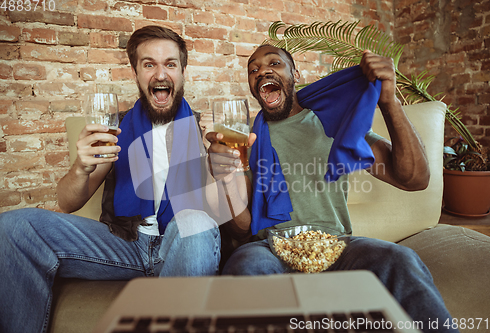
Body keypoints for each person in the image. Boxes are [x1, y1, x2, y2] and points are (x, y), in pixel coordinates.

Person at [205, 44, 458, 333]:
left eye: (274, 63)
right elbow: (242, 228)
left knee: (401, 260)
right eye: (253, 69)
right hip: (270, 248)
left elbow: (414, 179)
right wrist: (224, 178)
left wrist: (389, 102)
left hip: (337, 245)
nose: (262, 71)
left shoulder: (335, 123)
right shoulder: (245, 138)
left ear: (295, 74)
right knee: (244, 267)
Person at [0, 25, 221, 333]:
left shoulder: (203, 131)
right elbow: (68, 202)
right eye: (149, 64)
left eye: (170, 64)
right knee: (14, 228)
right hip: (124, 243)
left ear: (183, 71)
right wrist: (81, 167)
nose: (160, 74)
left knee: (196, 224)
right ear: (136, 72)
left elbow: (218, 211)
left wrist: (215, 159)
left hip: (179, 244)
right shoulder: (114, 131)